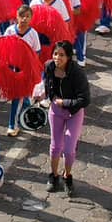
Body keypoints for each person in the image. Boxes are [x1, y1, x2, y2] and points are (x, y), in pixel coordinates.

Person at [44, 43, 91, 197]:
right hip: (56, 111)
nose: (57, 58)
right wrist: (51, 97)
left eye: (62, 55)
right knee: (55, 146)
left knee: (69, 149)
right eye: (55, 54)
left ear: (69, 57)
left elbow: (84, 100)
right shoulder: (49, 67)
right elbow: (48, 86)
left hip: (74, 112)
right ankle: (53, 175)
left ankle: (67, 176)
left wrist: (65, 103)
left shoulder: (77, 72)